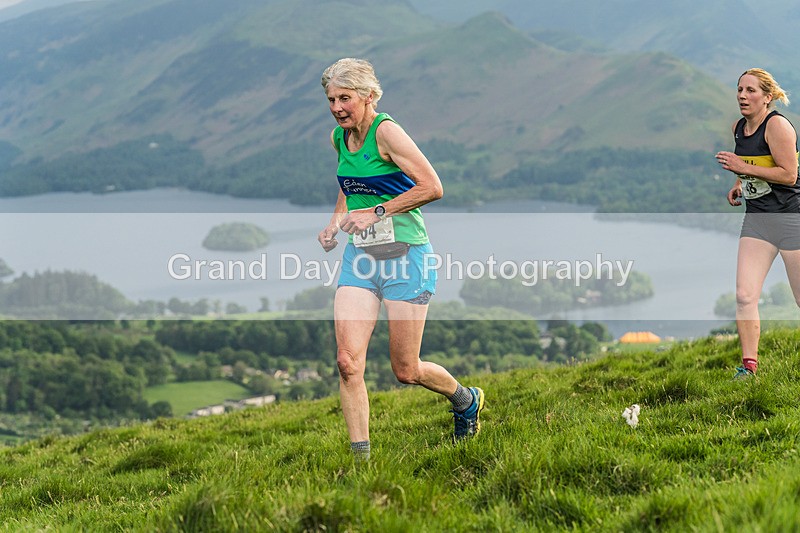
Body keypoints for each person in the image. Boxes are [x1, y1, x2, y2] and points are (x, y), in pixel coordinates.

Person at [317, 58, 485, 460]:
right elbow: (350, 183)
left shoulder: (387, 132)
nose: (338, 107)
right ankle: (362, 461)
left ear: (369, 96)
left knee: (406, 370)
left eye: (346, 98)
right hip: (361, 258)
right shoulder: (340, 138)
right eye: (331, 99)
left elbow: (432, 187)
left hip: (406, 256)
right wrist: (335, 222)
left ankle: (466, 400)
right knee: (346, 362)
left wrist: (375, 213)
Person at [715, 68, 800, 379]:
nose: (742, 95)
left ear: (767, 97)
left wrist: (740, 165)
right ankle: (748, 367)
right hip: (758, 220)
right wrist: (740, 182)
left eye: (750, 90)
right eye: (739, 89)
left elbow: (789, 175)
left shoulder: (777, 126)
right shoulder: (739, 127)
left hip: (791, 219)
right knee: (745, 296)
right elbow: (753, 165)